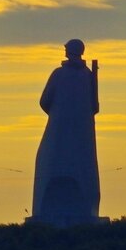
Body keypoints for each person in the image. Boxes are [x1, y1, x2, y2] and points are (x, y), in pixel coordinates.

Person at [29, 39, 101, 225]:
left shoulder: (59, 74)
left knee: (49, 163)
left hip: (58, 133)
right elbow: (94, 107)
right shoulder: (87, 76)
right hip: (82, 136)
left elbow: (44, 101)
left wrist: (58, 113)